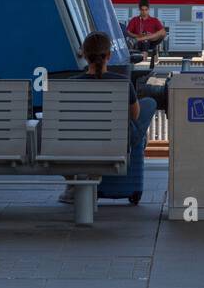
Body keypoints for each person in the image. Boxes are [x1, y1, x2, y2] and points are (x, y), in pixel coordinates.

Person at [59, 31, 156, 205]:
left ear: (84, 55)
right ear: (109, 56)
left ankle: (74, 185)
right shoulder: (122, 82)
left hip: (74, 146)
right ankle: (142, 141)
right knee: (149, 103)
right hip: (114, 143)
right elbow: (134, 116)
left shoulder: (70, 84)